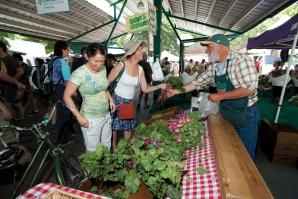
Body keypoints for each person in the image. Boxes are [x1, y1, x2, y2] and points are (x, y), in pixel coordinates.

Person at [166, 34, 259, 160]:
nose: (206, 51)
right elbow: (196, 83)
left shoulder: (241, 60)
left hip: (245, 112)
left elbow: (248, 89)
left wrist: (220, 96)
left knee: (245, 153)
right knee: (231, 148)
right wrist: (176, 91)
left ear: (220, 47)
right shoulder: (214, 66)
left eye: (209, 47)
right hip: (227, 109)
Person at [108, 40, 166, 152]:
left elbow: (145, 89)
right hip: (116, 99)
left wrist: (159, 86)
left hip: (128, 102)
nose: (142, 52)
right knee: (114, 127)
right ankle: (114, 147)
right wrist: (110, 100)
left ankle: (127, 148)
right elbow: (106, 84)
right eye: (139, 50)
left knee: (127, 127)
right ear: (133, 52)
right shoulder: (121, 65)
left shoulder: (140, 69)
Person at [64, 43, 115, 151]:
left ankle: (105, 167)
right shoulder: (79, 73)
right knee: (93, 150)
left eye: (102, 61)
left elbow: (103, 87)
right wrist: (78, 116)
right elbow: (66, 97)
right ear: (87, 56)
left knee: (106, 145)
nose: (99, 65)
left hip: (106, 115)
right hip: (90, 118)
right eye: (95, 61)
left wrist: (110, 100)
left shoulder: (103, 69)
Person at [50, 40, 72, 144]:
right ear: (62, 49)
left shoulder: (52, 60)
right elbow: (68, 82)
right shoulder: (63, 62)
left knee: (58, 112)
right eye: (68, 49)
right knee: (64, 115)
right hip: (62, 90)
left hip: (52, 90)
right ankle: (62, 140)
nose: (69, 51)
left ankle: (56, 131)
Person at [0, 41, 25, 121]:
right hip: (4, 86)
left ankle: (22, 120)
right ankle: (14, 121)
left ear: (1, 48)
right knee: (9, 105)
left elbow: (21, 71)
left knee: (16, 104)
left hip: (12, 86)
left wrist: (12, 81)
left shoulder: (11, 58)